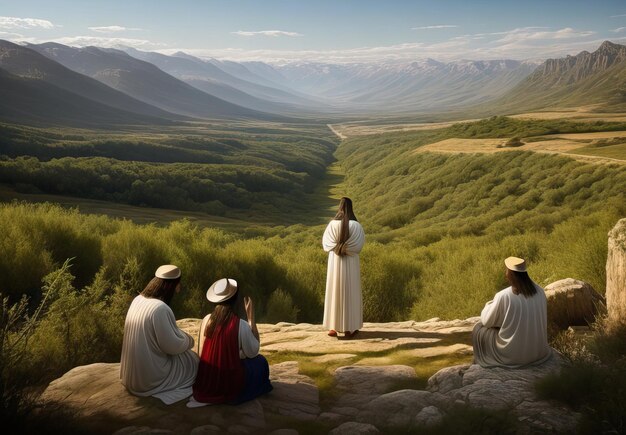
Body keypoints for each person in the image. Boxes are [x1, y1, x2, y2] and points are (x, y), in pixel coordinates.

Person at [120, 264, 199, 404]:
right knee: (192, 361)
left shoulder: (137, 300)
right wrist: (189, 340)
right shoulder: (160, 308)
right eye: (178, 285)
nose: (178, 289)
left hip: (130, 378)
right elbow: (172, 347)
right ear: (171, 286)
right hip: (150, 380)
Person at [187, 278, 273, 407]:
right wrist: (251, 319)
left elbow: (201, 352)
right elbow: (254, 351)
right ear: (235, 299)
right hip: (230, 383)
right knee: (261, 362)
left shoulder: (206, 320)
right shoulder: (241, 325)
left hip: (207, 380)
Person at [472, 256, 552, 368]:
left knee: (478, 329)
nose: (505, 274)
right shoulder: (540, 291)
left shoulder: (504, 296)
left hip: (513, 355)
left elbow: (486, 321)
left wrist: (488, 305)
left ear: (512, 274)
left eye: (507, 271)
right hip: (538, 352)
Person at [322, 196, 365, 339]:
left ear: (339, 207)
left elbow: (327, 244)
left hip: (335, 262)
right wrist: (346, 249)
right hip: (350, 263)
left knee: (335, 291)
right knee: (350, 292)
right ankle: (349, 329)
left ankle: (333, 328)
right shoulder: (356, 226)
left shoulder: (332, 225)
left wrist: (338, 248)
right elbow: (357, 247)